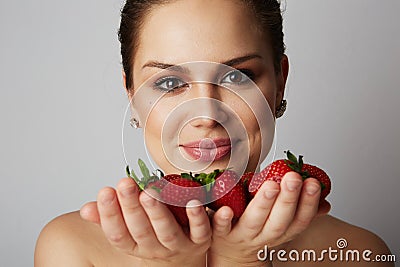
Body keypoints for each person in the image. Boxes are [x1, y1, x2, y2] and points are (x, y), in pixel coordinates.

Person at [34, 0, 394, 266]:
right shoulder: (71, 248)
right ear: (132, 95)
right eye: (170, 82)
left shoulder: (356, 253)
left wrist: (242, 262)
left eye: (238, 76)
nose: (206, 114)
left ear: (280, 83)